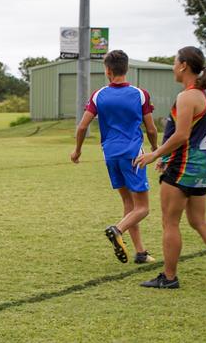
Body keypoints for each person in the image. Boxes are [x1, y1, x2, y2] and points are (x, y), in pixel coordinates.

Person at [71, 50, 159, 264]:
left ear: (107, 70)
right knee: (143, 207)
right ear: (126, 68)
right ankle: (117, 230)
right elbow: (151, 129)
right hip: (133, 155)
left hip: (110, 155)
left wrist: (78, 150)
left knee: (129, 205)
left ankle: (140, 252)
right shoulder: (140, 94)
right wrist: (155, 149)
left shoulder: (98, 95)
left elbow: (82, 126)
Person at [135, 46, 206, 289]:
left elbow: (181, 136)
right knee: (199, 222)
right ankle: (168, 276)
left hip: (184, 170)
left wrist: (155, 153)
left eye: (174, 61)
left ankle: (168, 278)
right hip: (203, 170)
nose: (172, 66)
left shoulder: (188, 96)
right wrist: (166, 157)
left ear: (184, 66)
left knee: (170, 222)